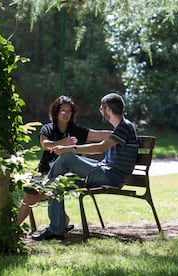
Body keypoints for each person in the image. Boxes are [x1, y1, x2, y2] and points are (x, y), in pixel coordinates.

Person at [32, 93, 138, 241]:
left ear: (107, 109)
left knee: (67, 157)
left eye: (101, 108)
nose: (100, 111)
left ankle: (44, 186)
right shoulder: (122, 127)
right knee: (56, 185)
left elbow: (101, 148)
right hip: (105, 171)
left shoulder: (124, 127)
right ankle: (56, 229)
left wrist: (70, 148)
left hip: (111, 176)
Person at [17, 95, 110, 229]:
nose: (66, 114)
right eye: (63, 110)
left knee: (38, 194)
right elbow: (46, 145)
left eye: (69, 111)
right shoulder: (48, 128)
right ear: (56, 112)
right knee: (29, 196)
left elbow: (99, 135)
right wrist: (63, 143)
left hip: (66, 176)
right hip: (44, 171)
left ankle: (60, 222)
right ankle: (14, 229)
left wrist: (122, 132)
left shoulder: (76, 130)